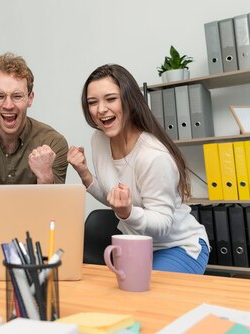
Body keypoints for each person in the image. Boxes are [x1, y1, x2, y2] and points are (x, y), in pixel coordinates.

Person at [67, 64, 209, 274]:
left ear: (129, 100)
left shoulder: (154, 157)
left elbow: (163, 223)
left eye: (111, 99)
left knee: (146, 301)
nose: (101, 109)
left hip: (177, 246)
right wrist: (84, 174)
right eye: (92, 102)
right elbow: (113, 198)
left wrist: (127, 212)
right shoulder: (99, 140)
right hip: (134, 244)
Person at [0, 52, 68, 185]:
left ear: (30, 98)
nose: (8, 106)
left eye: (17, 96)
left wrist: (45, 177)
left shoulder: (53, 143)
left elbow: (54, 204)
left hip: (37, 207)